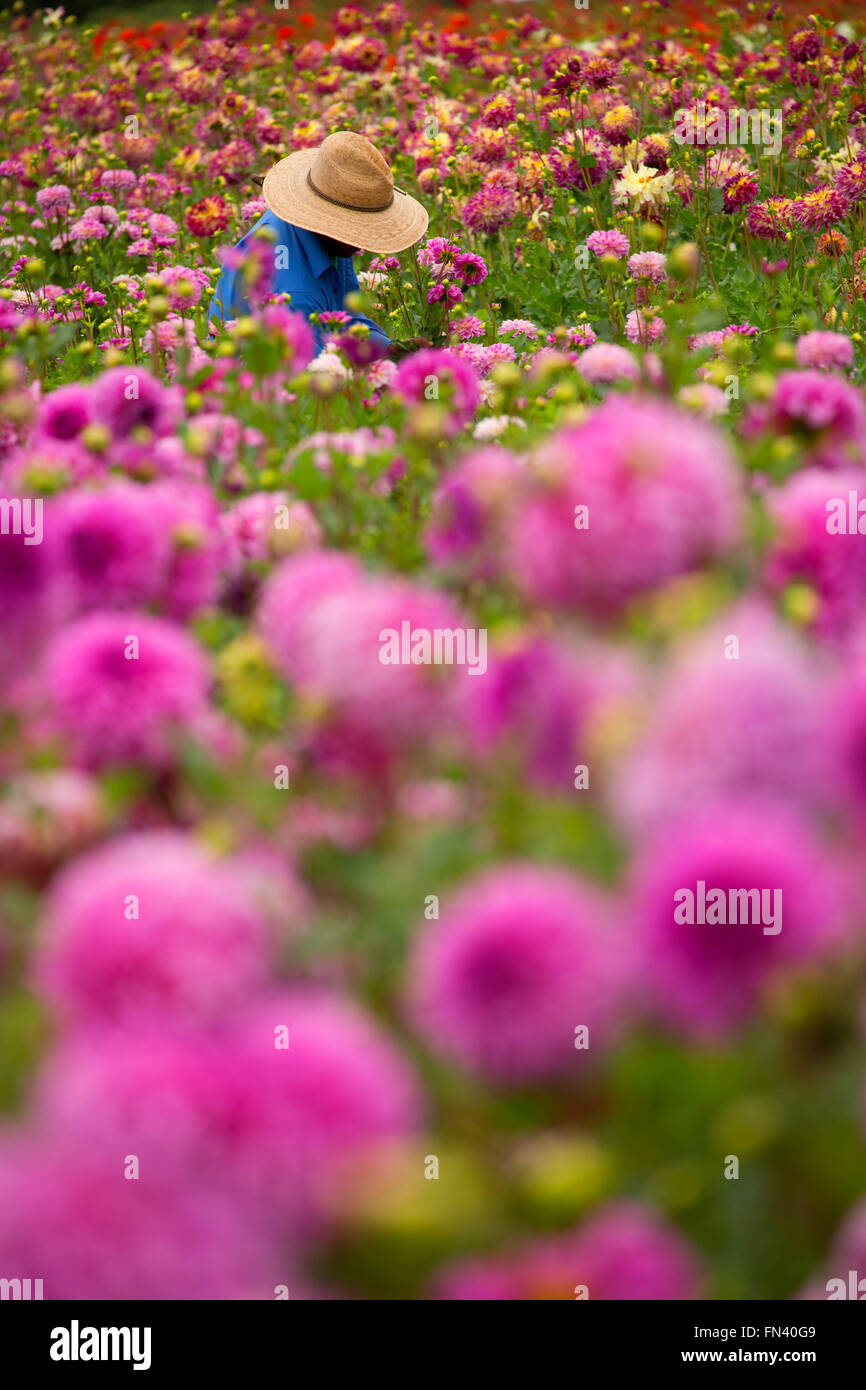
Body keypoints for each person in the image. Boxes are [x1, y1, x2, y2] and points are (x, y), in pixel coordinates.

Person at [209, 130, 431, 358]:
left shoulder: (327, 240)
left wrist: (386, 349)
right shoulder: (293, 295)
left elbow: (342, 318)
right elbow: (311, 384)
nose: (360, 242)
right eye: (359, 229)